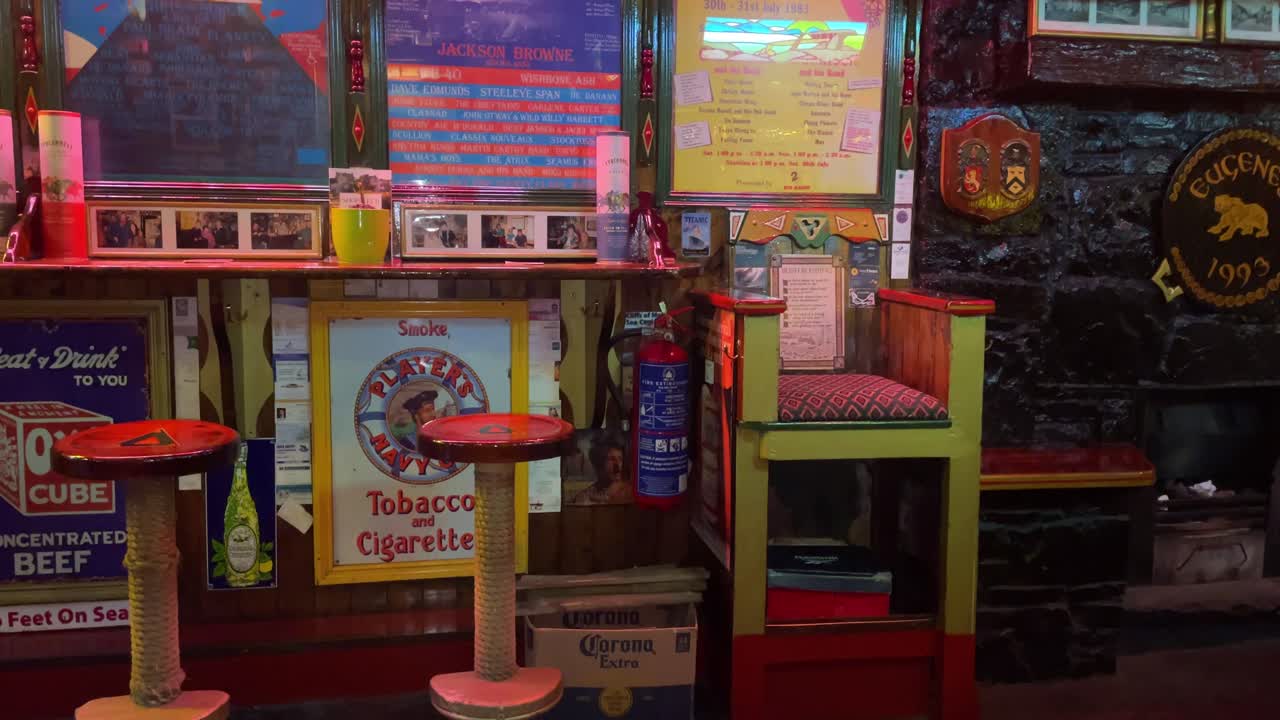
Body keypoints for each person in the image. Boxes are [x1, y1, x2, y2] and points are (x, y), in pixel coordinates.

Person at [572, 435, 632, 505]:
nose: (618, 467)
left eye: (620, 459)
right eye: (611, 459)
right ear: (598, 463)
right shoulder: (584, 496)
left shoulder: (629, 492)